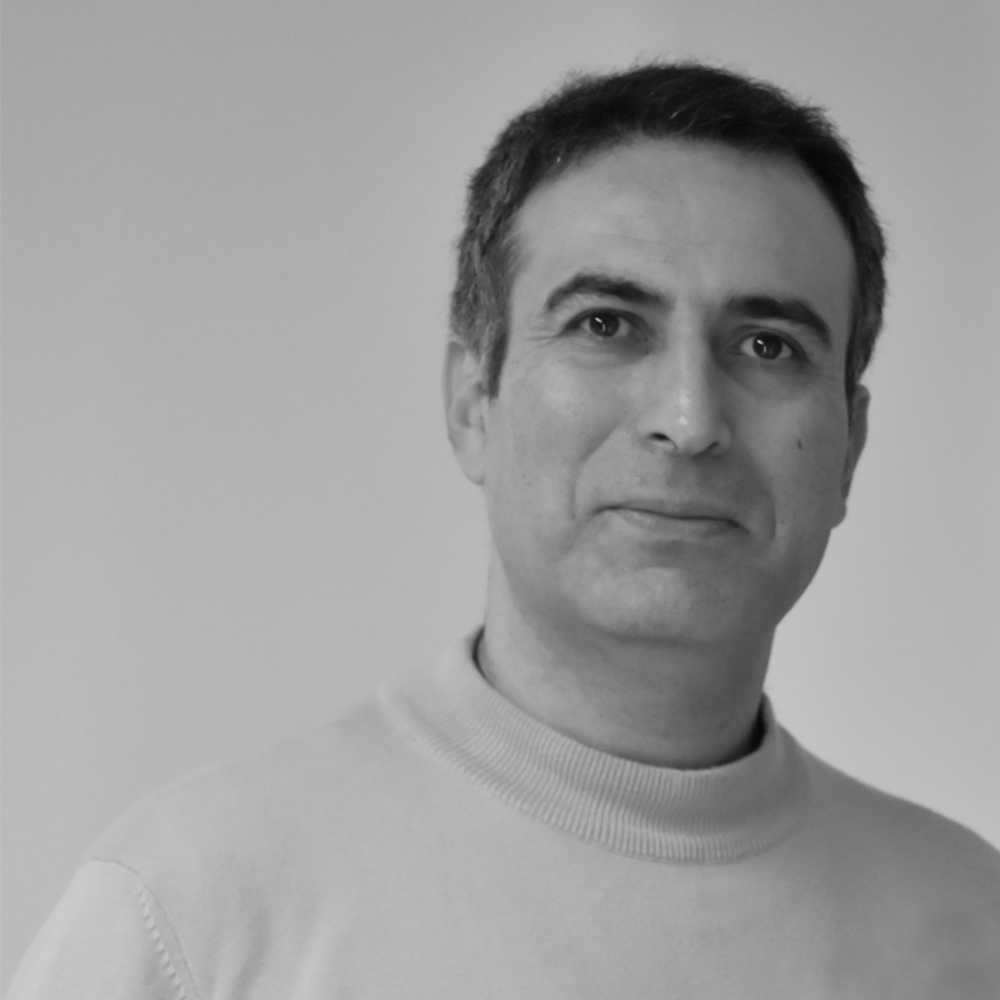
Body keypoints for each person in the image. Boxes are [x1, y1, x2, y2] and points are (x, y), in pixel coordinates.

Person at [9, 62, 1000, 1000]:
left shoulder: (970, 926)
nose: (690, 418)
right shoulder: (193, 915)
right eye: (606, 324)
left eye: (766, 345)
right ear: (470, 401)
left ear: (850, 445)